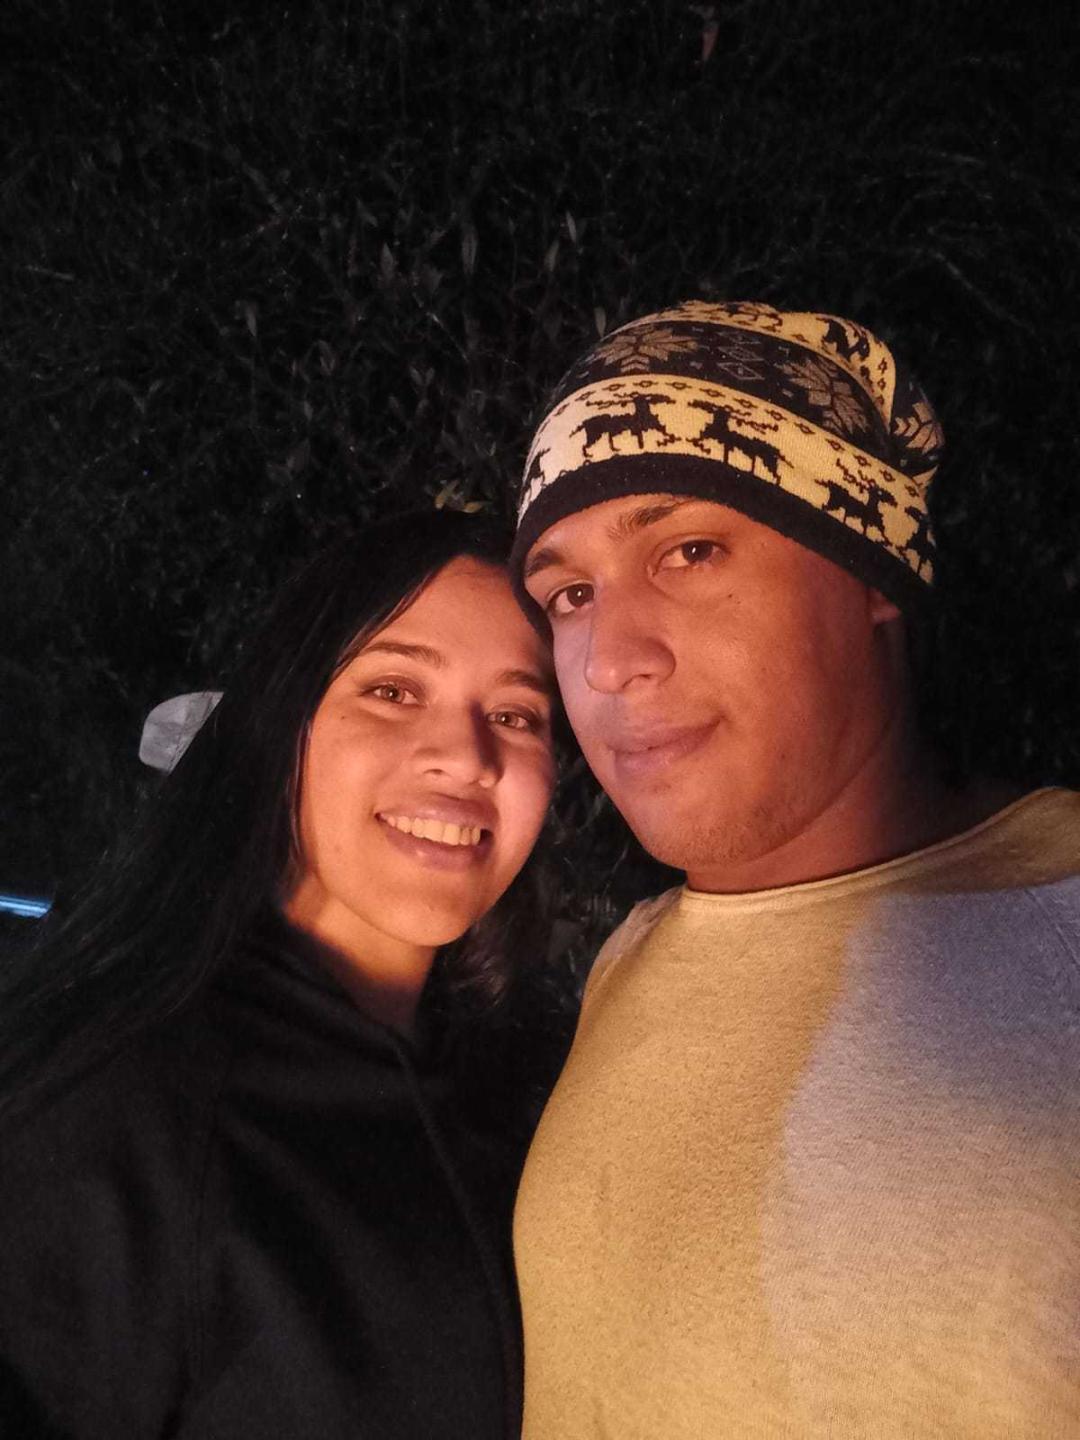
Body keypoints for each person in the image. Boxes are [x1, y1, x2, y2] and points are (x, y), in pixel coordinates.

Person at [508, 300, 1080, 1438]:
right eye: (571, 595)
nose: (611, 661)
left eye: (690, 551)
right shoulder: (628, 960)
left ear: (874, 571)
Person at [0, 509, 564, 1440]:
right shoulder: (115, 1114)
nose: (468, 757)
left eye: (515, 714)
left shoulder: (535, 1084)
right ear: (283, 725)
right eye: (393, 690)